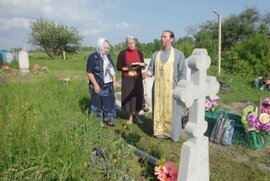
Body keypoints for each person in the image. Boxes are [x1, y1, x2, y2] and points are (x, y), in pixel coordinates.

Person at [143, 30, 187, 141]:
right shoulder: (155, 55)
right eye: (161, 36)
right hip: (158, 88)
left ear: (172, 39)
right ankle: (159, 132)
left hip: (172, 88)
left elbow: (183, 73)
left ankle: (172, 134)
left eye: (165, 36)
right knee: (158, 109)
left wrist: (181, 89)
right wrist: (146, 74)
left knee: (174, 111)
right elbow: (151, 70)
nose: (162, 38)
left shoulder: (179, 54)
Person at [86, 38, 117, 127]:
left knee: (109, 102)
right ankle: (98, 122)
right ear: (100, 46)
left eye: (108, 48)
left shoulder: (109, 57)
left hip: (108, 85)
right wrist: (95, 85)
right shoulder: (93, 57)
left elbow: (112, 70)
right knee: (98, 102)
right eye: (105, 48)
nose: (106, 50)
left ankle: (108, 120)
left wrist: (114, 81)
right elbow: (89, 72)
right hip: (98, 84)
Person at [117, 35, 145, 124]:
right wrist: (128, 68)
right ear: (126, 44)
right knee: (129, 97)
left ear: (135, 43)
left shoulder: (139, 53)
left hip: (137, 78)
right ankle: (130, 118)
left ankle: (137, 117)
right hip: (127, 78)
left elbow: (142, 65)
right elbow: (118, 67)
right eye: (129, 43)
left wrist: (141, 67)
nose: (131, 45)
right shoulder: (122, 53)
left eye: (132, 43)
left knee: (138, 96)